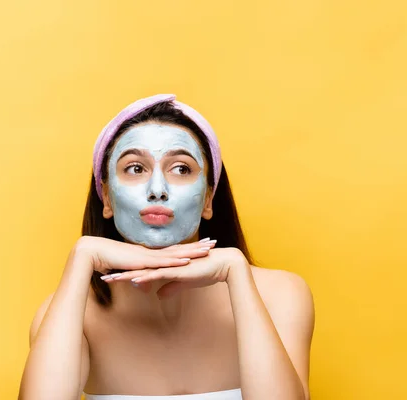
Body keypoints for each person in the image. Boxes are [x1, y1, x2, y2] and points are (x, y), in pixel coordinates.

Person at [19, 94, 315, 400]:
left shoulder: (281, 295)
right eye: (135, 168)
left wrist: (236, 272)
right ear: (106, 198)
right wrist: (82, 257)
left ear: (208, 200)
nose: (157, 190)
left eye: (181, 169)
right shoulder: (68, 315)